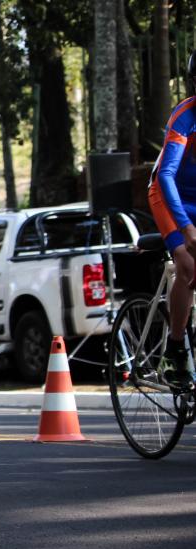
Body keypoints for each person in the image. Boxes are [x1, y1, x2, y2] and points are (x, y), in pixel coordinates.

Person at [150, 49, 196, 387]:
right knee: (188, 264)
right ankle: (175, 348)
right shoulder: (185, 114)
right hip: (169, 197)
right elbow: (166, 174)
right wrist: (186, 227)